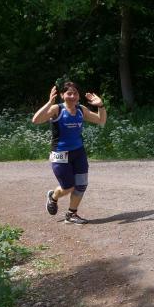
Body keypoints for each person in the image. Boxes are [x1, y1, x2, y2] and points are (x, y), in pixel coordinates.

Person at [31, 82, 107, 224]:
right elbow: (35, 120)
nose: (72, 96)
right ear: (62, 95)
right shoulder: (57, 109)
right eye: (69, 93)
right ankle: (53, 197)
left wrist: (101, 106)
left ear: (78, 95)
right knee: (68, 187)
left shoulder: (81, 110)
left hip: (79, 153)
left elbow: (101, 120)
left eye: (75, 93)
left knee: (81, 185)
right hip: (60, 154)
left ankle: (72, 214)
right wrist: (49, 103)